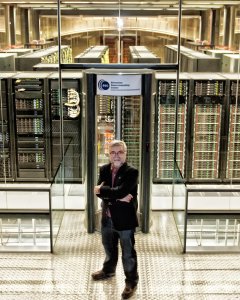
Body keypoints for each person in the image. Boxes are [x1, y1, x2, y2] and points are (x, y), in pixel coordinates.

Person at [92, 140, 139, 299]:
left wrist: (106, 191)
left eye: (120, 152)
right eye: (113, 152)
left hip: (125, 221)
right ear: (109, 155)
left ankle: (131, 281)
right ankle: (108, 271)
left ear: (125, 154)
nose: (116, 155)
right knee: (109, 248)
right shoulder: (104, 169)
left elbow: (117, 190)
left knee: (128, 253)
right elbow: (99, 192)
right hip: (107, 218)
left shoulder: (132, 172)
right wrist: (118, 196)